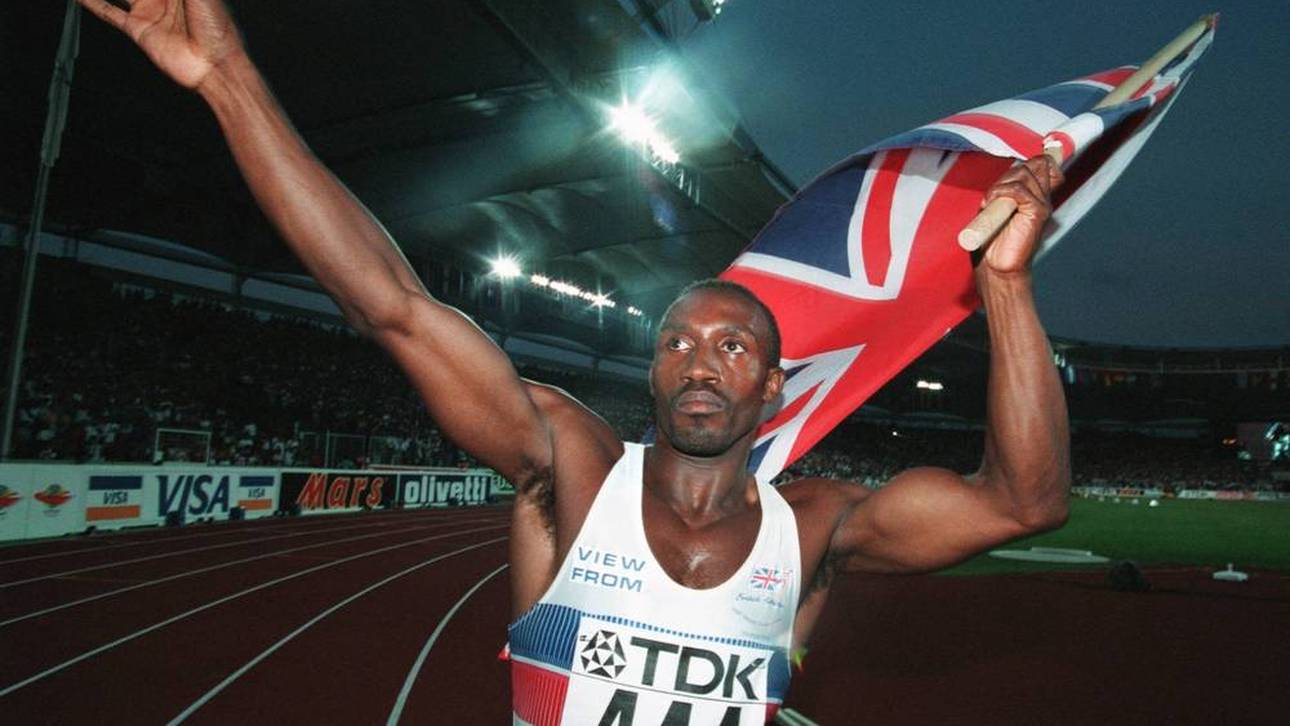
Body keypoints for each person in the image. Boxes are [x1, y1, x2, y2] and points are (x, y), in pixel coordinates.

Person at [79, 1, 1071, 722]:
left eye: (732, 347)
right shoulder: (571, 466)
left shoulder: (817, 526)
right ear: (651, 372)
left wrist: (1008, 289)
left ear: (772, 387)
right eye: (677, 340)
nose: (697, 361)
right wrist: (229, 81)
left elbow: (1022, 502)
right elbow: (392, 306)